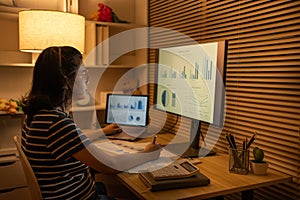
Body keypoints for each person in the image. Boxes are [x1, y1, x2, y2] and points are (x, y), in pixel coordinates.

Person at [21, 46, 161, 200]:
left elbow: (72, 139)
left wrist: (103, 131)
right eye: (83, 74)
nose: (88, 80)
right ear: (66, 80)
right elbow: (110, 165)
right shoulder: (56, 123)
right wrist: (148, 153)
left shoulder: (37, 115)